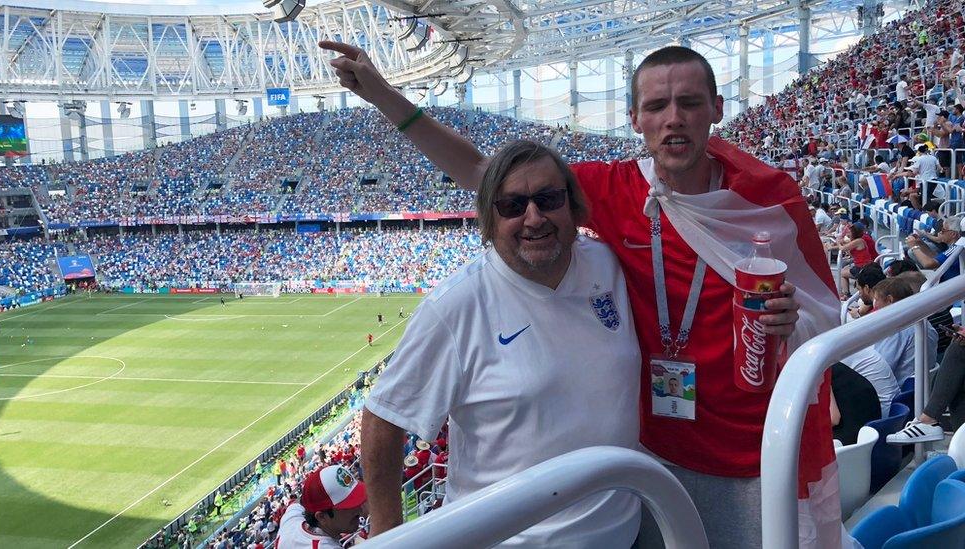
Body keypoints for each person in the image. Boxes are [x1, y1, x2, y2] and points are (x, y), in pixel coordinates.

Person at [322, 41, 840, 548]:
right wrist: (386, 96)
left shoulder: (766, 200)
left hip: (744, 452)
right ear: (635, 118)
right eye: (657, 105)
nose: (673, 118)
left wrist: (792, 320)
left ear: (717, 110)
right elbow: (486, 176)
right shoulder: (613, 191)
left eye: (689, 103)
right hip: (653, 457)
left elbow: (824, 317)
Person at [359, 141, 644, 545]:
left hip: (623, 534)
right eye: (512, 205)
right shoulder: (455, 306)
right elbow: (383, 418)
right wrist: (385, 535)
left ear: (573, 204)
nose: (534, 217)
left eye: (549, 198)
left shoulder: (608, 264)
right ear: (490, 219)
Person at [273, 465, 368, 549]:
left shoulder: (291, 519)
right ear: (321, 517)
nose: (359, 509)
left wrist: (314, 496)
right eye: (348, 506)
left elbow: (297, 503)